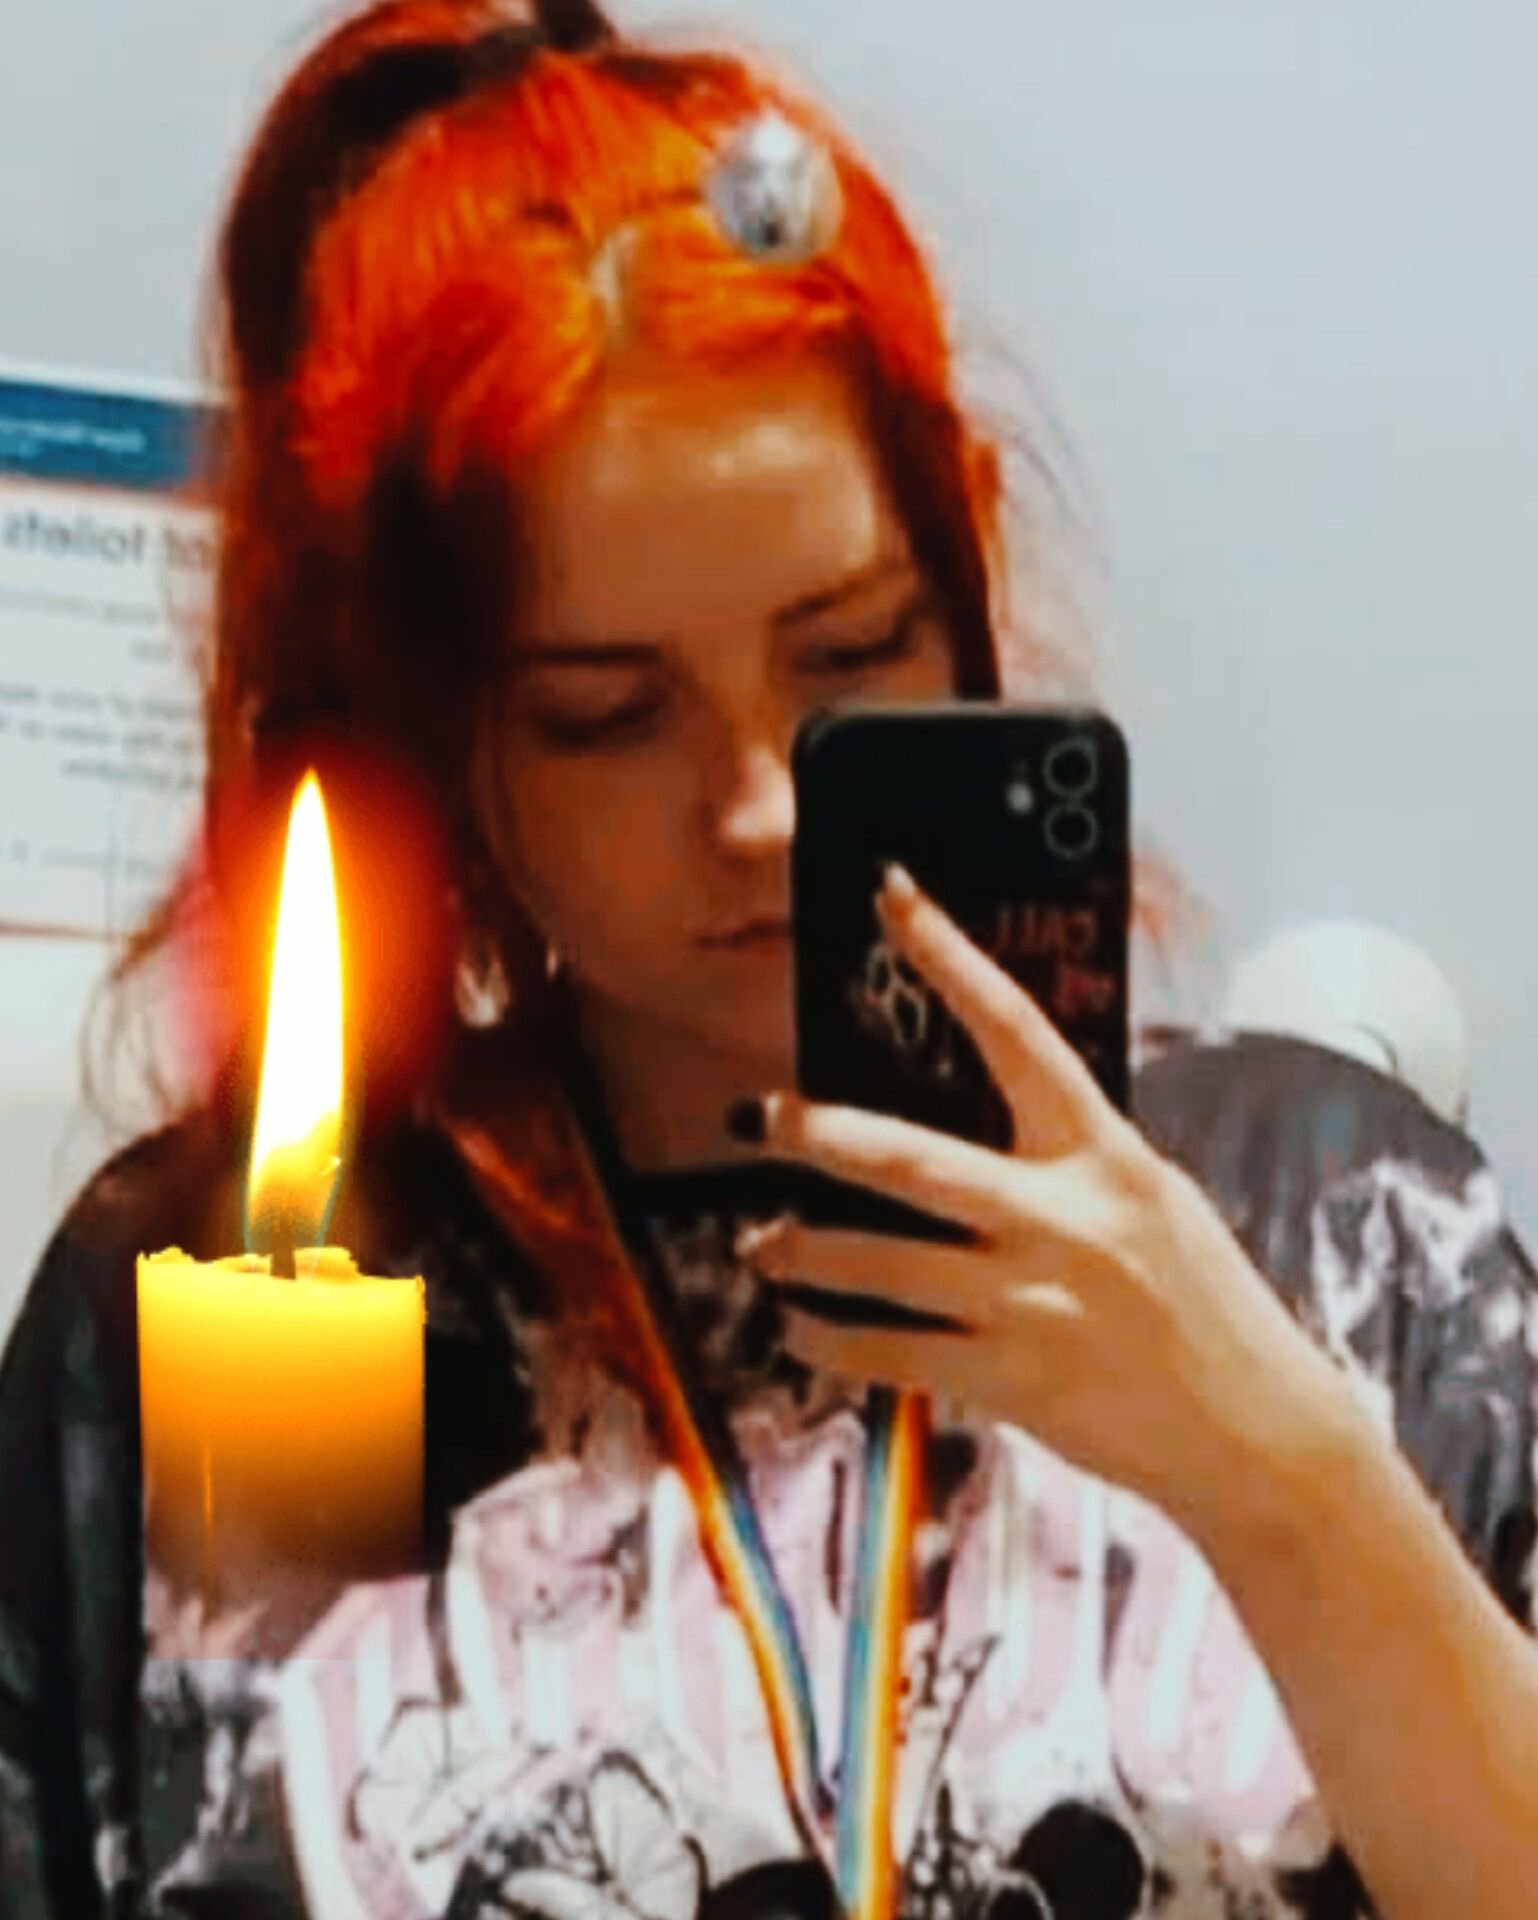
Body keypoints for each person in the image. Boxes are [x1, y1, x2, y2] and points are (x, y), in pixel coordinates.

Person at [2, 3, 1538, 1916]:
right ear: (444, 737)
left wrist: (1282, 1486)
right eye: (605, 713)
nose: (756, 807)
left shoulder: (1333, 1222)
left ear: (958, 580)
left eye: (848, 651)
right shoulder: (252, 1299)